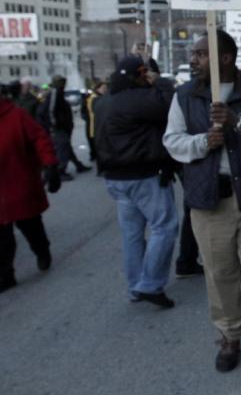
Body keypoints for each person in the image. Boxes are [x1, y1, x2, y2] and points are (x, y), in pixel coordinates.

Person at [163, 29, 241, 385]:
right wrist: (204, 141)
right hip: (209, 203)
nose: (194, 59)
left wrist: (240, 123)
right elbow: (172, 141)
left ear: (225, 58)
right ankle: (230, 336)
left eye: (201, 53)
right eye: (194, 53)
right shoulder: (185, 96)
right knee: (220, 275)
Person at [95, 56, 179, 308]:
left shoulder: (103, 102)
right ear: (136, 76)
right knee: (164, 227)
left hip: (115, 177)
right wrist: (160, 80)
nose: (146, 77)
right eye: (143, 73)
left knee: (132, 234)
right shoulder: (137, 99)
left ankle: (136, 286)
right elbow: (170, 104)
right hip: (143, 174)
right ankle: (150, 284)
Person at [1, 80, 60, 292]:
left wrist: (50, 164)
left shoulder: (16, 116)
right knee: (2, 239)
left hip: (19, 184)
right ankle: (5, 274)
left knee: (31, 227)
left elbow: (40, 139)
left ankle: (42, 251)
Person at [41, 74, 91, 179]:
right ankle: (61, 170)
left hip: (61, 126)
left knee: (66, 146)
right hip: (58, 127)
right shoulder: (55, 92)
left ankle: (78, 165)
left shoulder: (58, 92)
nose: (64, 83)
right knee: (63, 146)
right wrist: (54, 125)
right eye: (62, 81)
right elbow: (51, 111)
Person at [82, 80, 108, 165]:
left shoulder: (94, 97)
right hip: (94, 125)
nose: (105, 90)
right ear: (97, 88)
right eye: (103, 88)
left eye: (106, 88)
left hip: (93, 125)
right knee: (98, 147)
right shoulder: (94, 98)